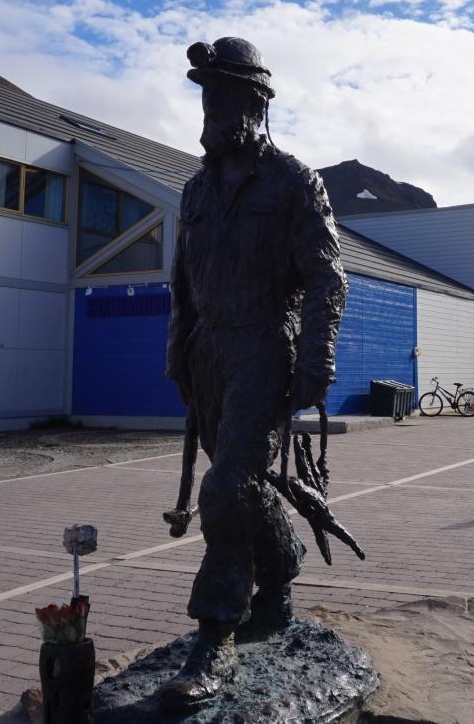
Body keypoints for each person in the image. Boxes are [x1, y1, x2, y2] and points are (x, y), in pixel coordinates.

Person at [161, 37, 348, 708]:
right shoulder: (196, 188)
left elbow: (327, 277)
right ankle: (282, 569)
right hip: (208, 353)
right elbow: (182, 281)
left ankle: (215, 633)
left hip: (266, 346)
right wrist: (177, 350)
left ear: (257, 103)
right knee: (242, 487)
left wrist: (318, 356)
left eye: (224, 95)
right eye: (206, 96)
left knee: (224, 488)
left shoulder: (294, 181)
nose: (211, 109)